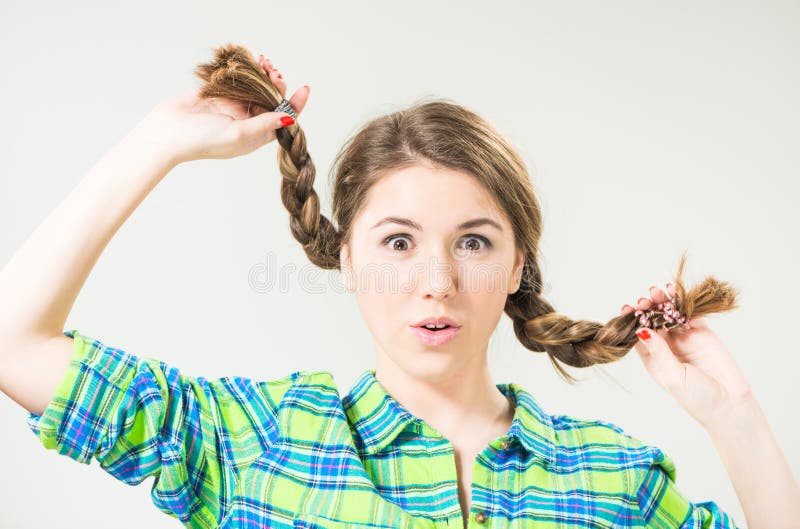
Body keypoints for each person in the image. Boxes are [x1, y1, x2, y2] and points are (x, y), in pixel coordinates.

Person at [1, 46, 797, 529]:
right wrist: (161, 140)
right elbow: (14, 345)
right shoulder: (255, 441)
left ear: (518, 264)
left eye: (474, 242)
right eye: (399, 241)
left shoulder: (614, 479)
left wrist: (735, 418)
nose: (437, 282)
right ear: (347, 257)